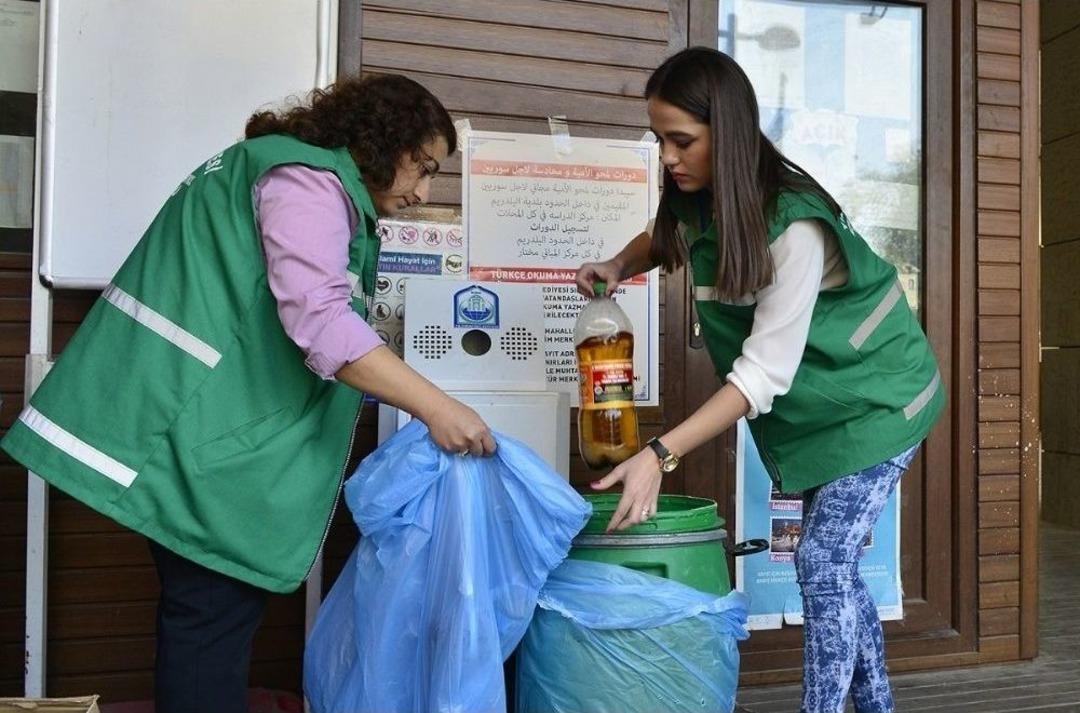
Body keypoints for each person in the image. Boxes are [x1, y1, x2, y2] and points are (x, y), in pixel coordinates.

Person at [2, 73, 495, 713]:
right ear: (383, 139)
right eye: (422, 168)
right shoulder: (307, 181)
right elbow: (319, 320)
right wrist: (436, 405)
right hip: (198, 435)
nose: (423, 191)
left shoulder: (275, 169)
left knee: (203, 621)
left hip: (191, 427)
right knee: (208, 625)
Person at [575, 47, 942, 713]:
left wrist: (660, 454)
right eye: (659, 139)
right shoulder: (701, 200)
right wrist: (616, 264)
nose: (667, 157)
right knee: (834, 566)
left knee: (822, 563)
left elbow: (762, 374)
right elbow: (662, 241)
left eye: (681, 140)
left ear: (730, 133)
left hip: (882, 399)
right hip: (823, 414)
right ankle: (877, 704)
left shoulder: (792, 224)